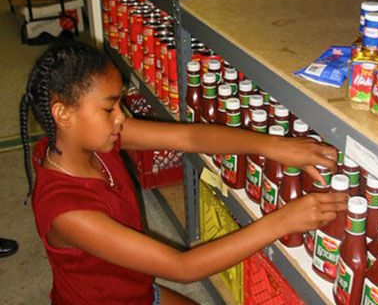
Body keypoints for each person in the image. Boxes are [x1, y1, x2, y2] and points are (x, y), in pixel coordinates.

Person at [19, 41, 347, 304]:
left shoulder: (87, 142)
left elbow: (187, 137)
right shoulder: (67, 212)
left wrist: (271, 145)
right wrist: (284, 221)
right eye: (109, 107)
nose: (121, 117)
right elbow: (183, 267)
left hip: (139, 292)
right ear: (63, 114)